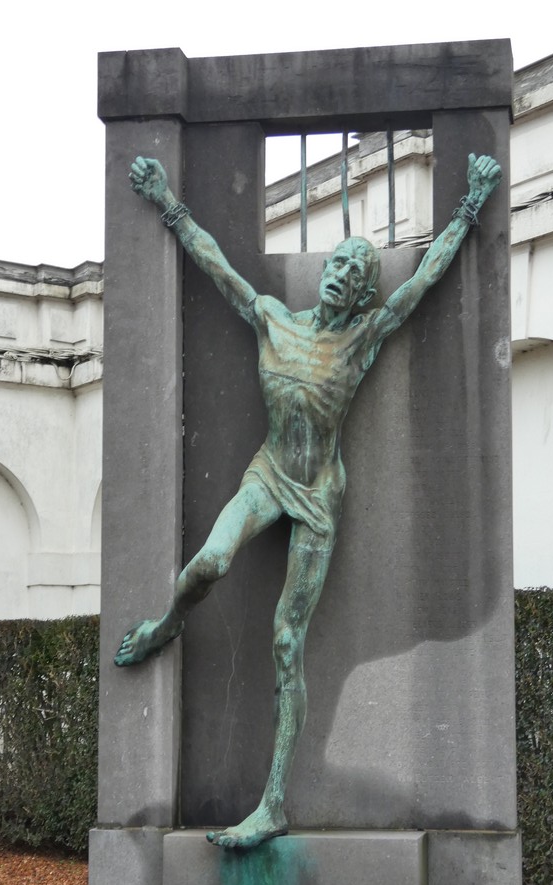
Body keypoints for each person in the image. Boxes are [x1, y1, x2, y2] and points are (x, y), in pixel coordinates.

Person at [115, 152, 502, 849]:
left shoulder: (363, 338)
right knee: (206, 564)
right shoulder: (271, 319)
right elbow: (215, 268)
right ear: (323, 273)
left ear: (359, 297)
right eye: (338, 265)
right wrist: (167, 202)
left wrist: (470, 208)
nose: (342, 275)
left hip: (319, 495)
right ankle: (169, 622)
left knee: (286, 640)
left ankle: (272, 804)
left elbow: (421, 281)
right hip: (268, 473)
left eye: (356, 274)